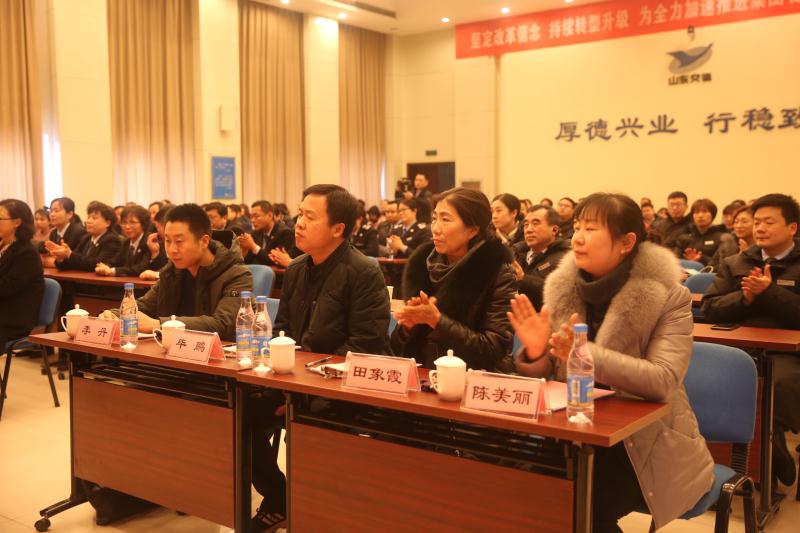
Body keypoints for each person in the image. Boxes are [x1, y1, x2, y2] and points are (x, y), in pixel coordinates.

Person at [510, 192, 713, 532]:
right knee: (522, 491)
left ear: (626, 242)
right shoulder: (562, 287)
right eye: (576, 227)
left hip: (643, 442)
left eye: (590, 229)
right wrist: (536, 352)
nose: (577, 237)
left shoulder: (669, 295)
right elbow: (554, 374)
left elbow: (663, 380)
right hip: (572, 430)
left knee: (583, 507)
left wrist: (584, 354)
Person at [251, 185, 391, 532]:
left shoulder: (364, 271)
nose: (298, 223)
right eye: (299, 214)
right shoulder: (297, 268)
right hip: (296, 382)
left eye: (309, 217)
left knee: (309, 422)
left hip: (342, 390)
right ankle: (279, 497)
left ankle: (318, 512)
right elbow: (282, 330)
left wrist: (302, 389)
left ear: (338, 228)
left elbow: (364, 347)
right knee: (238, 412)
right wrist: (281, 382)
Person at [701, 193, 800, 486]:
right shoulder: (736, 263)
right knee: (708, 382)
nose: (760, 228)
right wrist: (744, 298)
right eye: (757, 222)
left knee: (778, 386)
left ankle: (769, 451)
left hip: (788, 354)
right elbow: (710, 308)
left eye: (769, 222)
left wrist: (769, 293)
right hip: (740, 350)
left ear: (792, 227)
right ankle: (770, 453)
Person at [391, 187, 516, 371]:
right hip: (424, 374)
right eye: (434, 218)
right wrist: (407, 327)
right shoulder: (422, 266)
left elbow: (493, 349)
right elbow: (396, 347)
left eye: (446, 219)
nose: (435, 228)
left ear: (472, 229)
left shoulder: (497, 271)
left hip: (475, 377)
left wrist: (437, 321)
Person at [99, 203, 252, 339]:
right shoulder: (172, 271)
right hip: (173, 352)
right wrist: (115, 314)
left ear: (204, 241)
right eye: (167, 240)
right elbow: (145, 306)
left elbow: (223, 324)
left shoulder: (237, 275)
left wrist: (159, 325)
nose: (172, 249)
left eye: (179, 241)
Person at [0, 199, 45, 352]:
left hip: (12, 318)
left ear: (17, 222)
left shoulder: (26, 253)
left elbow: (6, 288)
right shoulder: (4, 246)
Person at [512, 205, 570, 310]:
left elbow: (561, 293)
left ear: (554, 230)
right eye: (526, 225)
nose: (528, 230)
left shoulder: (565, 258)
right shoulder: (515, 252)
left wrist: (524, 279)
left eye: (535, 223)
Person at [52, 202, 122, 271]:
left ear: (107, 223)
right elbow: (75, 261)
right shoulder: (86, 238)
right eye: (88, 217)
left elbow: (98, 264)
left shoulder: (112, 240)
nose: (88, 221)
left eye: (94, 218)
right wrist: (61, 258)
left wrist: (69, 254)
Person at [95, 205, 151, 277]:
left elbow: (141, 268)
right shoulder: (126, 242)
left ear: (144, 224)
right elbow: (115, 261)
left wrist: (113, 271)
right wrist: (105, 267)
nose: (127, 226)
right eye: (124, 223)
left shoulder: (149, 241)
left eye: (132, 222)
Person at [674, 198, 730, 266]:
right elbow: (674, 260)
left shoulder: (721, 237)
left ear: (713, 214)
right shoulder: (683, 238)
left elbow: (722, 263)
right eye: (697, 212)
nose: (700, 216)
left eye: (705, 212)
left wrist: (701, 259)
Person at [238, 200, 295, 267]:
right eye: (251, 217)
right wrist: (244, 250)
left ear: (270, 215)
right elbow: (249, 261)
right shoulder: (255, 233)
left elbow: (275, 261)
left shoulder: (284, 233)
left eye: (256, 216)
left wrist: (254, 247)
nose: (252, 220)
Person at [140, 205, 174, 279]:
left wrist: (157, 274)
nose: (157, 231)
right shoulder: (160, 242)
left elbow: (177, 271)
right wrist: (155, 253)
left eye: (158, 227)